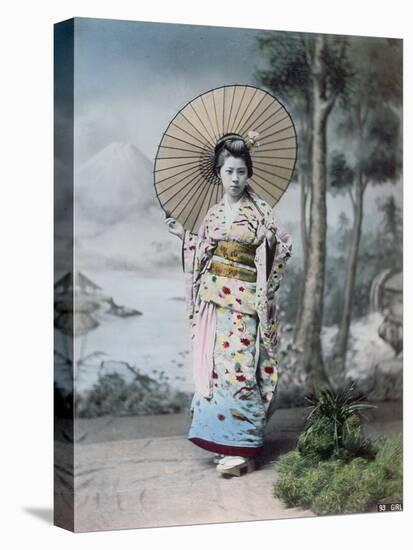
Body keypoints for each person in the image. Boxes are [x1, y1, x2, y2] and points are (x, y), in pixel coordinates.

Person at [165, 133, 292, 476]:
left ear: (249, 173)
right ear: (218, 173)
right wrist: (184, 236)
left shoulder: (261, 211)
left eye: (241, 171)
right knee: (217, 371)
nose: (235, 179)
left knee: (241, 371)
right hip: (216, 301)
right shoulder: (214, 213)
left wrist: (269, 244)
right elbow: (205, 249)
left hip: (246, 302)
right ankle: (224, 443)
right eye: (228, 171)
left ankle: (244, 446)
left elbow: (281, 250)